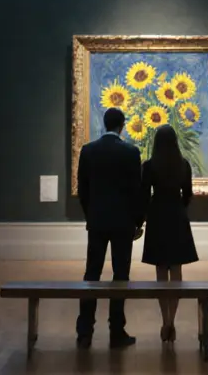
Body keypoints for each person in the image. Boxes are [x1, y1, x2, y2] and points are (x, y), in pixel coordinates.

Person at [76, 107, 144, 349]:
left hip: (96, 222)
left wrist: (90, 215)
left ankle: (84, 332)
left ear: (105, 125)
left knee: (91, 274)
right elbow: (137, 192)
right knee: (120, 276)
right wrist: (138, 221)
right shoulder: (130, 152)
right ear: (122, 126)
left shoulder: (88, 151)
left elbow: (82, 190)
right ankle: (117, 331)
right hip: (123, 224)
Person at [140, 125, 199, 343]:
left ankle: (164, 319)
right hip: (177, 216)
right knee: (176, 271)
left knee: (160, 272)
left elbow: (144, 195)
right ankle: (171, 321)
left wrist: (143, 218)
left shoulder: (149, 166)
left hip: (157, 217)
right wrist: (179, 207)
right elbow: (188, 194)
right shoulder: (183, 165)